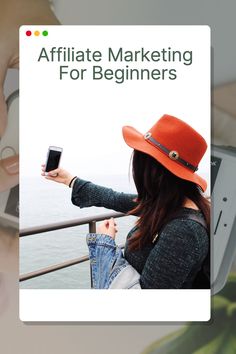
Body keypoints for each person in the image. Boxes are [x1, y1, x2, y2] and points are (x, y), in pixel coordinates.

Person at [42, 114, 210, 289]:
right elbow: (113, 198)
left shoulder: (183, 231)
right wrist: (70, 179)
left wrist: (104, 244)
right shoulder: (167, 204)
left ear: (153, 171)